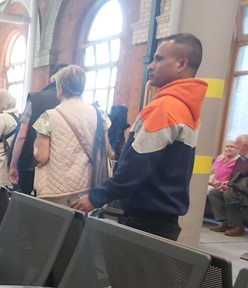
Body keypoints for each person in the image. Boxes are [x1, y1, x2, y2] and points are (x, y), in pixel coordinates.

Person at [72, 33, 207, 241]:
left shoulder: (164, 108)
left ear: (181, 63)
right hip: (163, 223)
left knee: (125, 275)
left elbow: (134, 169)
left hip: (145, 224)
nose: (151, 65)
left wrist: (95, 197)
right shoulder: (187, 108)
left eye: (159, 59)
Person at [30, 65, 107, 205]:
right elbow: (106, 150)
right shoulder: (99, 114)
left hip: (54, 189)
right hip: (86, 189)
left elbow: (42, 157)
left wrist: (35, 147)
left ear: (61, 88)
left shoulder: (48, 117)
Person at [9, 64, 67, 194]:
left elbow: (21, 136)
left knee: (22, 202)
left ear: (52, 79)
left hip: (29, 162)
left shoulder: (35, 99)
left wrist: (13, 164)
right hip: (56, 167)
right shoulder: (73, 104)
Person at [207, 135, 248, 236]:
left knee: (229, 193)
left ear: (246, 146)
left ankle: (238, 227)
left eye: (237, 145)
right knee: (214, 192)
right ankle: (225, 222)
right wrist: (227, 184)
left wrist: (231, 186)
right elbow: (234, 176)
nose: (236, 148)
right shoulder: (241, 159)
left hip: (244, 190)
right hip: (238, 187)